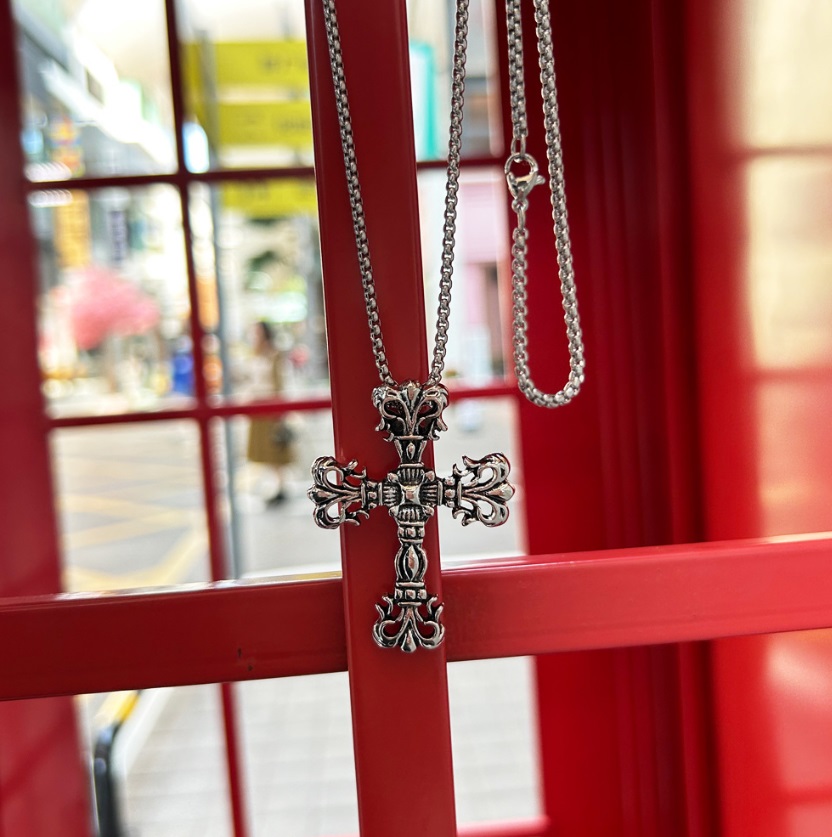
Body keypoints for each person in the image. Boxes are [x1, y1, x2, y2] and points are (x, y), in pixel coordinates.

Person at [245, 321, 297, 504]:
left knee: (274, 450)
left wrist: (280, 410)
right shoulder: (255, 354)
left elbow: (280, 383)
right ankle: (275, 485)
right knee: (263, 451)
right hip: (257, 406)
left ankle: (280, 486)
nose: (255, 336)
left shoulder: (275, 355)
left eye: (258, 333)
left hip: (271, 406)